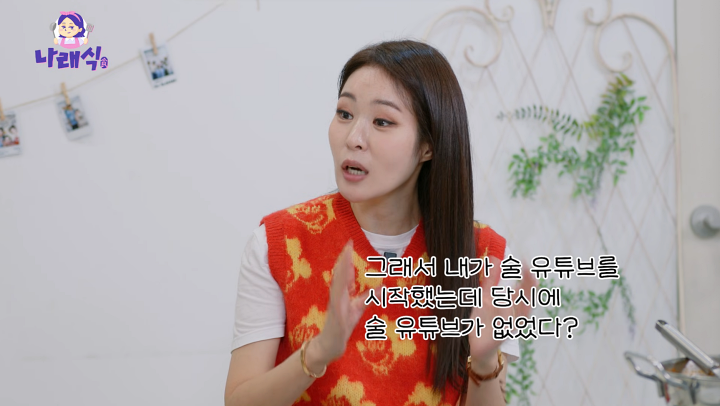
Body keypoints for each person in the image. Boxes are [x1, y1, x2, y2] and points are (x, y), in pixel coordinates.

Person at [225, 40, 537, 406]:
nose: (353, 138)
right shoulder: (279, 243)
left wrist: (483, 361)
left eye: (382, 121)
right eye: (345, 114)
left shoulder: (486, 259)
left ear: (428, 146)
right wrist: (320, 351)